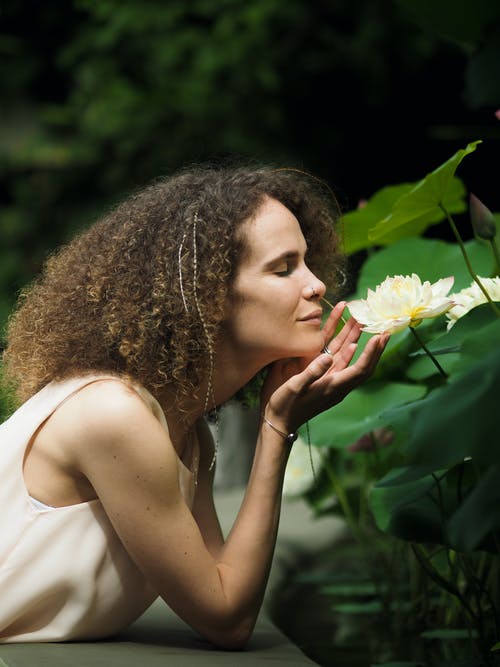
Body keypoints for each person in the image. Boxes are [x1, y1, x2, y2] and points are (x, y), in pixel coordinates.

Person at [0, 165, 388, 648]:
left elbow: (227, 591)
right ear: (210, 297)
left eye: (307, 262)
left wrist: (278, 421)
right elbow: (224, 618)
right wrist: (277, 428)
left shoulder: (187, 434)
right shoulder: (113, 414)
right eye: (283, 268)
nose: (315, 286)